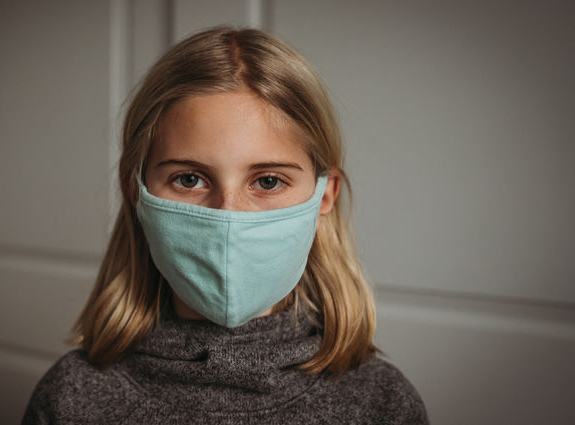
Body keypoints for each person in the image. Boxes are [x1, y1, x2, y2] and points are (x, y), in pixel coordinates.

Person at [22, 27, 428, 424]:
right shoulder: (71, 398)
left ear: (324, 195)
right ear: (137, 193)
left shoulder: (380, 403)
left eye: (268, 181)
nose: (229, 215)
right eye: (189, 179)